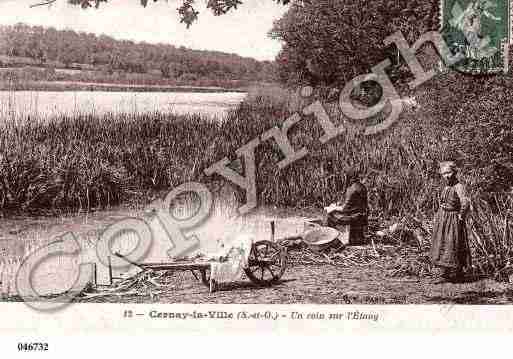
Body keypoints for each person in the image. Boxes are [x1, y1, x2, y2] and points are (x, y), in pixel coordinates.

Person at [430, 161, 471, 283]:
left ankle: (458, 273)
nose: (447, 175)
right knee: (441, 242)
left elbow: (466, 202)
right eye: (444, 173)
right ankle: (444, 273)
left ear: (454, 172)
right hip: (443, 218)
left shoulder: (459, 187)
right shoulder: (446, 186)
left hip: (453, 218)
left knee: (452, 243)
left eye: (449, 172)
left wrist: (460, 216)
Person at [325, 167, 368, 245]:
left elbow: (344, 209)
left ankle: (330, 239)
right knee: (334, 211)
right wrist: (338, 205)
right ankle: (356, 238)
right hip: (363, 216)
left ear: (349, 177)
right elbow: (353, 204)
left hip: (355, 217)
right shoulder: (362, 186)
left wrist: (332, 208)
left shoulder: (351, 189)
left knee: (330, 216)